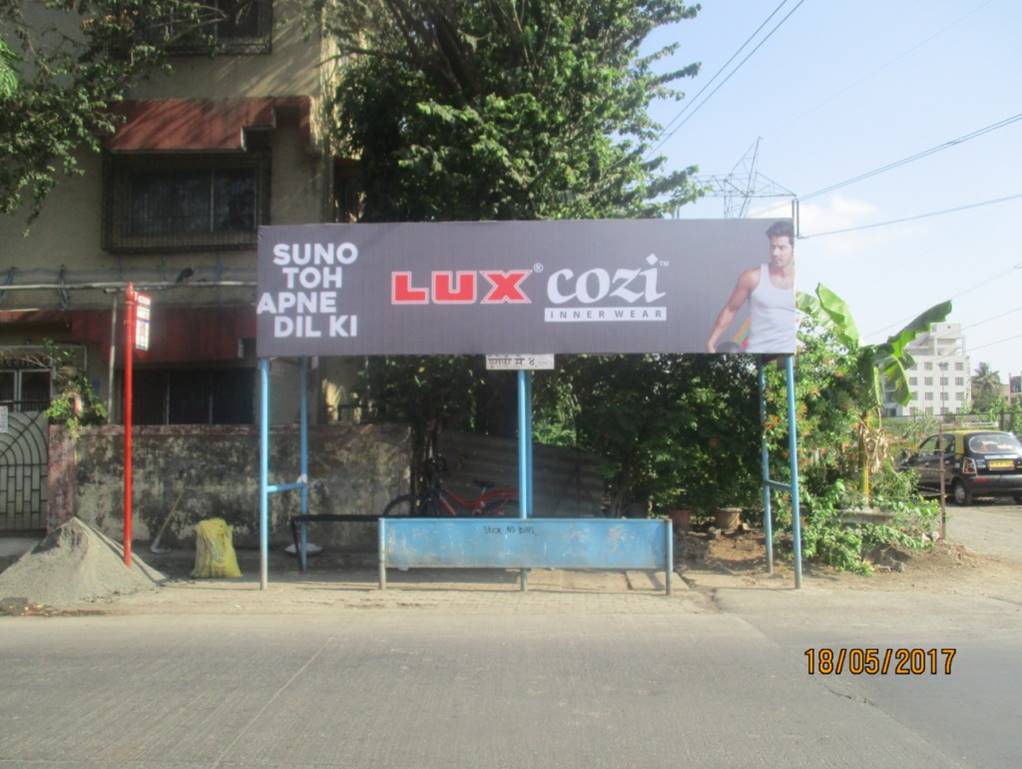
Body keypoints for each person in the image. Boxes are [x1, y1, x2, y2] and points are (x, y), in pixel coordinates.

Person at [705, 220, 796, 354]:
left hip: (790, 355)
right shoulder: (752, 277)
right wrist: (710, 343)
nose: (775, 253)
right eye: (772, 247)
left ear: (793, 248)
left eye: (781, 248)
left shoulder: (801, 280)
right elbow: (730, 309)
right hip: (758, 355)